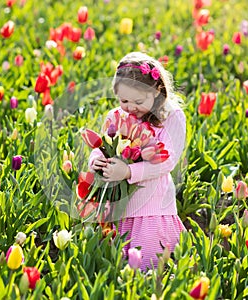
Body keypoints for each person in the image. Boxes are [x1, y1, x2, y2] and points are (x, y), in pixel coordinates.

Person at [88, 52, 186, 271]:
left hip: (151, 205)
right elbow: (102, 146)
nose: (131, 107)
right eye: (124, 100)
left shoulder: (172, 117)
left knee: (147, 265)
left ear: (157, 92)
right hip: (118, 203)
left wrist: (128, 172)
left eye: (139, 101)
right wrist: (96, 161)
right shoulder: (116, 116)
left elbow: (166, 162)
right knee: (115, 264)